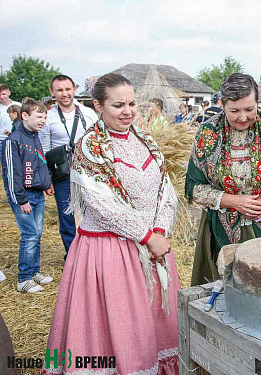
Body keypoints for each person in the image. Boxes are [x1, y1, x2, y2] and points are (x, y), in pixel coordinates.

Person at [43, 73, 180, 374]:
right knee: (116, 326)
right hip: (109, 254)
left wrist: (160, 232)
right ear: (99, 105)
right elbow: (101, 204)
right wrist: (147, 236)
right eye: (118, 105)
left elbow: (165, 191)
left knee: (153, 327)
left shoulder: (147, 141)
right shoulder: (89, 147)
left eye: (131, 103)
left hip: (153, 250)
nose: (128, 111)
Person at [185, 73, 261, 286]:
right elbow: (193, 187)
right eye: (234, 111)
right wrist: (232, 201)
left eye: (249, 109)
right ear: (222, 105)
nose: (242, 117)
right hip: (220, 230)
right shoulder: (208, 132)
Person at [39, 75, 98, 258]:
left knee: (93, 212)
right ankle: (72, 256)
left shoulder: (87, 114)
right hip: (62, 174)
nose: (64, 94)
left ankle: (92, 254)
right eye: (59, 90)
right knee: (66, 216)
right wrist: (46, 178)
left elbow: (97, 141)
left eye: (67, 89)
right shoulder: (48, 118)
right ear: (52, 93)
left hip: (88, 172)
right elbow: (44, 150)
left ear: (74, 89)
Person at [2, 99, 53, 293]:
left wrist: (47, 183)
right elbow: (11, 173)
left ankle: (34, 272)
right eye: (39, 116)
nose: (43, 121)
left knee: (37, 234)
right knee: (30, 234)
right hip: (23, 196)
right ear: (25, 116)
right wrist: (21, 199)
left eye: (45, 117)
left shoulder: (35, 137)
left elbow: (40, 162)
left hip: (38, 193)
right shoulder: (13, 140)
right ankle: (23, 279)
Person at [0, 84, 21, 155]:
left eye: (3, 94)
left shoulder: (18, 105)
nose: (1, 97)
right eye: (0, 94)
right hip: (2, 140)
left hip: (16, 141)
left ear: (9, 93)